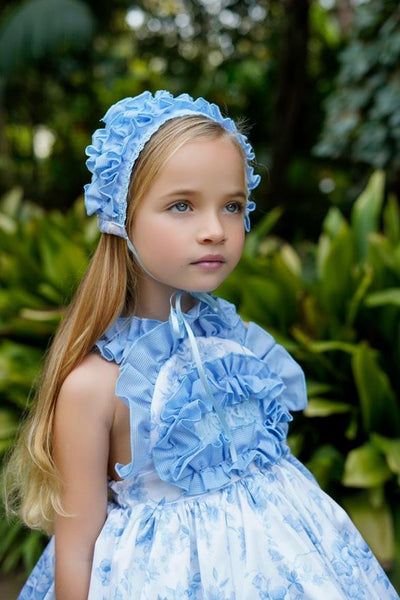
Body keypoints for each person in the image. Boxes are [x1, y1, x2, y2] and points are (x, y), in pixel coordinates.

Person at [5, 90, 398, 600]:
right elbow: (76, 553)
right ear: (121, 216)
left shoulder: (235, 342)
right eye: (182, 205)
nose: (215, 230)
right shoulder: (96, 386)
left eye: (232, 206)